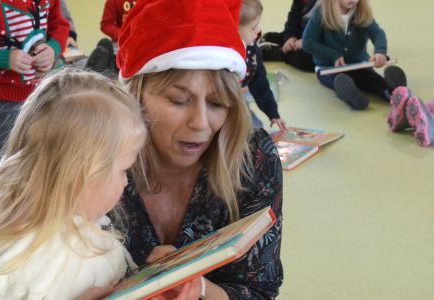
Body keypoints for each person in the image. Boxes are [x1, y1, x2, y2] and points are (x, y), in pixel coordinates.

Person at [110, 0, 284, 298]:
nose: (201, 123)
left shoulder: (254, 159)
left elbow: (258, 290)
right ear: (135, 96)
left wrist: (198, 287)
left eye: (217, 103)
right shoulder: (97, 155)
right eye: (179, 100)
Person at [0, 69, 147, 299]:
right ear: (78, 175)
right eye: (124, 170)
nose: (127, 182)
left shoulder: (20, 230)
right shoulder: (72, 259)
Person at [0, 0, 70, 209]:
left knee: (45, 155)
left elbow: (60, 26)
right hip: (2, 100)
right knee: (6, 163)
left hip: (43, 92)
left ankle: (36, 214)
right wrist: (4, 58)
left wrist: (53, 49)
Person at [302, 0, 407, 110]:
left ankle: (393, 92)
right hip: (329, 69)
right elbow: (308, 43)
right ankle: (353, 97)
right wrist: (333, 55)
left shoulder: (361, 13)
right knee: (339, 80)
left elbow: (378, 34)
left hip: (358, 65)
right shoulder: (321, 13)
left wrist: (380, 52)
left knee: (372, 79)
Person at [239, 0, 288, 131]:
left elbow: (260, 83)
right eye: (253, 28)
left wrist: (273, 113)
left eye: (258, 25)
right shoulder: (222, 55)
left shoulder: (252, 49)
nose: (259, 30)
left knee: (256, 128)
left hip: (238, 101)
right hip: (219, 103)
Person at [260, 0, 319, 72]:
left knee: (305, 59)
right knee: (271, 36)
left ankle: (281, 53)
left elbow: (329, 36)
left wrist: (307, 41)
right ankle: (287, 44)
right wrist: (290, 37)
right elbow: (293, 18)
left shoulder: (329, 4)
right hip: (304, 33)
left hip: (320, 43)